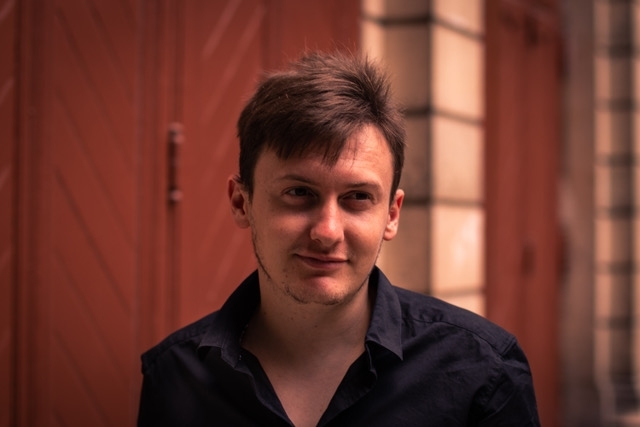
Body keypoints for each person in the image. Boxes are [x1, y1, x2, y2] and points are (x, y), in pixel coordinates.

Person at [137, 51, 540, 427]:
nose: (327, 231)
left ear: (392, 214)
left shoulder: (484, 374)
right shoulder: (174, 377)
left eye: (358, 197)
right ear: (242, 203)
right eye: (299, 193)